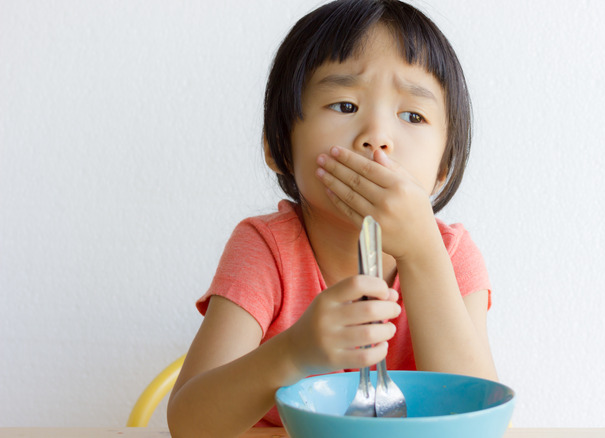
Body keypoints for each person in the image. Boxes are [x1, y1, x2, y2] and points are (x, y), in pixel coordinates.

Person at [167, 0, 497, 435]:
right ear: (279, 146)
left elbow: (476, 422)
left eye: (412, 115)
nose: (377, 137)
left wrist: (422, 255)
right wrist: (294, 352)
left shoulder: (452, 256)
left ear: (443, 168)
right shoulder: (265, 249)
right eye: (344, 105)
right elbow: (189, 424)